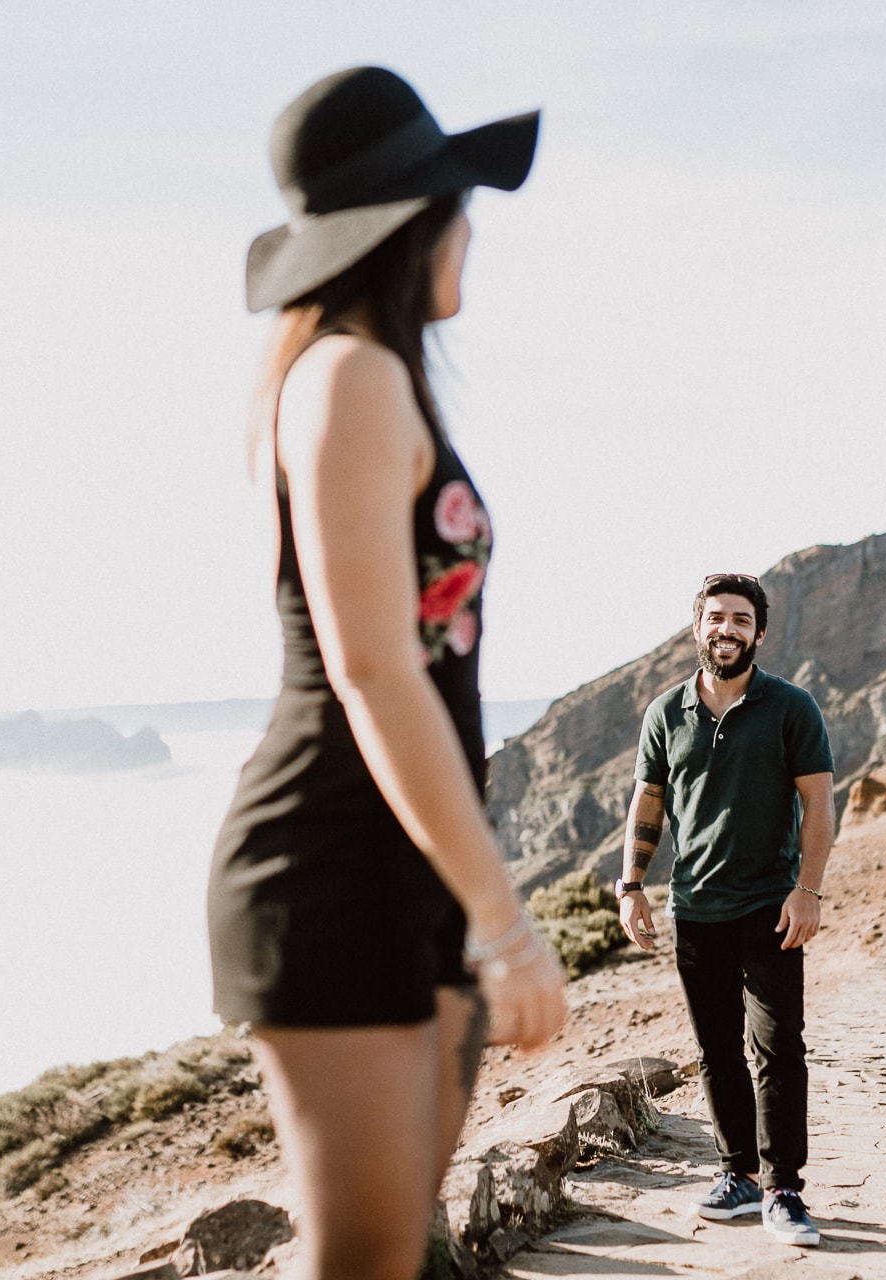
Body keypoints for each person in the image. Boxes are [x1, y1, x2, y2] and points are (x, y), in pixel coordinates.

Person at [207, 67, 568, 1280]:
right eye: (457, 199)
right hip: (330, 864)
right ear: (412, 220)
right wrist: (504, 920)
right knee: (359, 1264)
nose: (471, 226)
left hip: (400, 857)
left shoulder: (367, 376)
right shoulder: (350, 376)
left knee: (401, 1259)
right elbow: (370, 668)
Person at [615, 573, 837, 1248]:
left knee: (776, 1049)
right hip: (696, 908)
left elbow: (819, 804)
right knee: (716, 1052)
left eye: (741, 619)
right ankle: (738, 1175)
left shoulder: (790, 707)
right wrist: (631, 885)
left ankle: (783, 1190)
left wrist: (809, 890)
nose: (728, 629)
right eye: (716, 617)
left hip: (771, 907)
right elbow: (648, 805)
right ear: (697, 629)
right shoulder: (666, 712)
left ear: (759, 633)